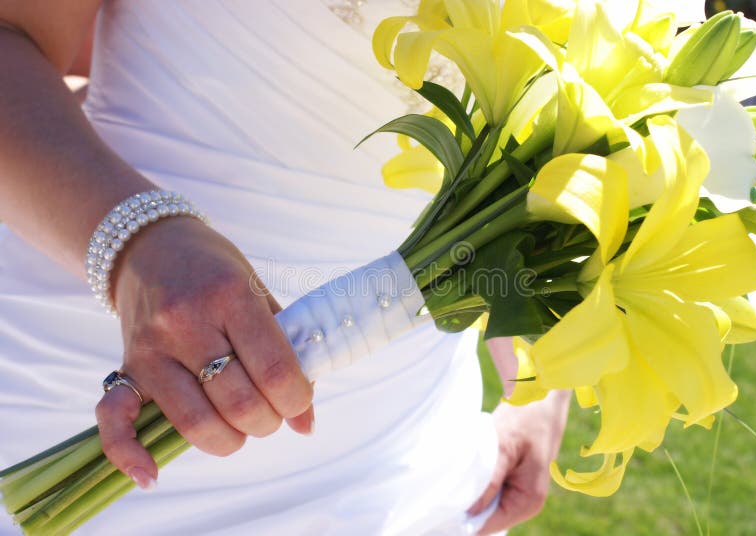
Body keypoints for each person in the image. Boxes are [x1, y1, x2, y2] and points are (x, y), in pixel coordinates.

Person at [0, 1, 570, 534]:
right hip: (98, 365)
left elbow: (551, 160)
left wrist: (543, 383)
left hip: (397, 464)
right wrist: (137, 245)